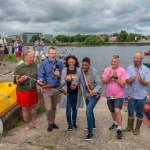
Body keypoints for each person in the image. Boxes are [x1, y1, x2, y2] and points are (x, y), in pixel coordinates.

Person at [71, 57, 101, 140]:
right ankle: (93, 125)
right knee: (90, 111)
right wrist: (74, 84)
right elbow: (76, 80)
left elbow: (99, 84)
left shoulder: (94, 72)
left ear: (89, 64)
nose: (84, 67)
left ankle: (90, 133)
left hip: (95, 95)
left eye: (85, 65)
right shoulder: (80, 71)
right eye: (82, 65)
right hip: (86, 95)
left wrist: (94, 91)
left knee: (88, 111)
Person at [38, 47, 63, 132]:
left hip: (56, 88)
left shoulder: (59, 63)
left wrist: (59, 75)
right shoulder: (43, 63)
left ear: (56, 54)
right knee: (48, 108)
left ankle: (52, 122)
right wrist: (40, 80)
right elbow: (40, 75)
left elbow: (62, 77)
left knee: (54, 107)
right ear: (48, 54)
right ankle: (50, 122)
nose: (53, 55)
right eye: (51, 53)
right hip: (47, 89)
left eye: (54, 53)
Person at [125, 52, 150, 135]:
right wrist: (132, 79)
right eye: (134, 58)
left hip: (141, 96)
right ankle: (129, 127)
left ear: (141, 59)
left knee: (140, 113)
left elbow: (146, 83)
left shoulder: (146, 69)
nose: (135, 59)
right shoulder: (129, 68)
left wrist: (141, 80)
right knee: (130, 112)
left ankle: (137, 129)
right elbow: (127, 81)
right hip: (131, 95)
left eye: (137, 58)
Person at [102, 55, 126, 139]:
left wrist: (115, 77)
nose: (113, 63)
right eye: (112, 61)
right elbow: (104, 82)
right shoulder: (106, 69)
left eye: (115, 62)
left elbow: (123, 85)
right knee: (112, 111)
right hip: (109, 95)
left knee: (117, 111)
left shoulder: (122, 71)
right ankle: (115, 124)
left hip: (118, 95)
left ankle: (119, 130)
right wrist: (109, 76)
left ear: (119, 62)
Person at [14, 50, 39, 130]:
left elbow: (37, 76)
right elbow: (14, 81)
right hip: (23, 91)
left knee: (33, 108)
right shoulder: (19, 67)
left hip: (33, 90)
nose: (33, 58)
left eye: (33, 57)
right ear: (26, 57)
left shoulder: (34, 65)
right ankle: (27, 124)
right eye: (31, 57)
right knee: (25, 108)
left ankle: (34, 123)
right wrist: (20, 80)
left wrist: (39, 80)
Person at [60, 55, 83, 131]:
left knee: (75, 109)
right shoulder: (64, 70)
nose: (71, 63)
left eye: (72, 62)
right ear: (67, 62)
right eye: (69, 62)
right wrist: (66, 80)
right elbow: (62, 83)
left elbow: (81, 81)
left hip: (76, 92)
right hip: (67, 93)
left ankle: (74, 123)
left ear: (75, 62)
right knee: (68, 109)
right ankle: (69, 124)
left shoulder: (79, 70)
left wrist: (76, 84)